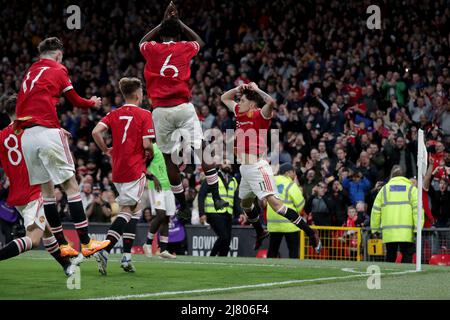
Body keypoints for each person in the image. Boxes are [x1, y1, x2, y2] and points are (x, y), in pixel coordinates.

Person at [15, 37, 109, 258]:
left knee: (47, 193)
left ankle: (62, 245)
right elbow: (75, 100)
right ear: (58, 54)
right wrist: (92, 102)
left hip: (26, 136)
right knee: (71, 186)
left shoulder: (31, 70)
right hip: (47, 132)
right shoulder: (58, 68)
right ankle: (86, 243)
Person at [139, 2, 227, 220]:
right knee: (202, 148)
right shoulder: (184, 47)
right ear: (178, 37)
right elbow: (200, 42)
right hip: (182, 107)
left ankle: (182, 204)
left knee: (169, 158)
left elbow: (142, 42)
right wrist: (179, 23)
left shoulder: (152, 49)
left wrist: (162, 24)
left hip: (160, 110)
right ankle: (215, 196)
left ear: (160, 36)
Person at [220, 82, 321, 252]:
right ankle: (260, 232)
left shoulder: (260, 114)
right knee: (245, 204)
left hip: (258, 167)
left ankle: (311, 233)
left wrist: (257, 89)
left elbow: (272, 102)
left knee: (277, 206)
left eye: (243, 100)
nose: (239, 102)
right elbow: (224, 98)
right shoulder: (239, 112)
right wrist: (238, 89)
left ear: (252, 104)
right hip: (245, 169)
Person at [0, 94, 77, 276]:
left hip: (17, 194)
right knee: (34, 239)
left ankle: (67, 266)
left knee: (47, 232)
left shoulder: (2, 136)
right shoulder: (32, 130)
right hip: (35, 190)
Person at [92, 77, 155, 275]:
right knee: (129, 210)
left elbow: (96, 132)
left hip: (118, 170)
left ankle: (126, 257)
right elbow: (146, 144)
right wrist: (151, 153)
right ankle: (105, 249)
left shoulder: (114, 113)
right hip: (135, 168)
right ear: (137, 95)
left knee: (135, 211)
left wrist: (105, 150)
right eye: (142, 92)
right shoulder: (145, 114)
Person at [370, 165, 423, 263]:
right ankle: (405, 276)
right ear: (404, 176)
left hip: (389, 232)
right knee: (407, 255)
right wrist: (417, 228)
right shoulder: (412, 189)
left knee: (390, 256)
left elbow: (376, 211)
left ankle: (389, 277)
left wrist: (375, 229)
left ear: (391, 176)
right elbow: (418, 210)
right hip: (406, 232)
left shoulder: (384, 190)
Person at [142, 143, 177, 259]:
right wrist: (153, 177)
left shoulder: (170, 148)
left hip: (169, 187)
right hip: (156, 187)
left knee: (166, 217)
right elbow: (142, 166)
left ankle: (163, 250)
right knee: (160, 215)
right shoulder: (152, 147)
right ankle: (147, 243)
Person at [198, 161, 239, 257]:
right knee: (224, 237)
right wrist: (202, 214)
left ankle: (222, 261)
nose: (228, 165)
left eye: (229, 163)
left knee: (227, 240)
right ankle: (211, 257)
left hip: (228, 213)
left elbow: (236, 199)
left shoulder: (233, 180)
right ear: (220, 164)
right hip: (213, 212)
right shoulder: (212, 177)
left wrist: (240, 213)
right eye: (225, 163)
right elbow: (201, 195)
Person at [266, 163, 305, 259]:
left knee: (272, 251)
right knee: (293, 252)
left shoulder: (271, 182)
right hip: (290, 223)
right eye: (294, 172)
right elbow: (300, 205)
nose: (295, 175)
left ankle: (267, 271)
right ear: (288, 173)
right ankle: (293, 272)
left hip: (273, 225)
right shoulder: (291, 185)